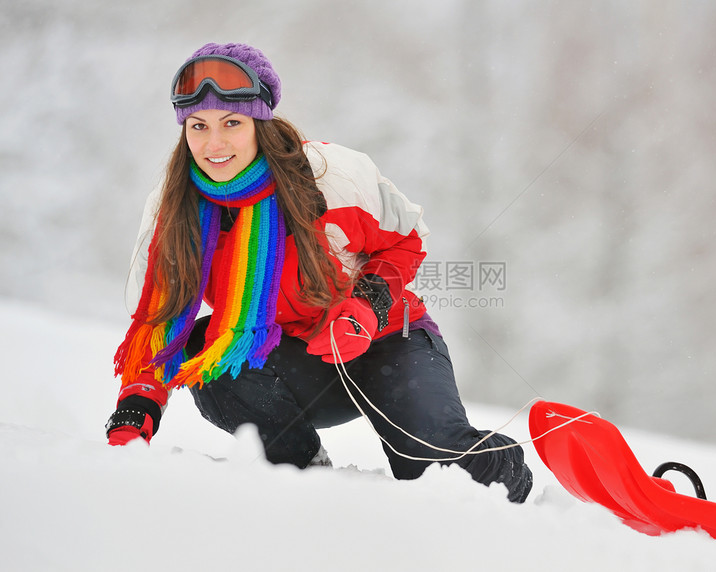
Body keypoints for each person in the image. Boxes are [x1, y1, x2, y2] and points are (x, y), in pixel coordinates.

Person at [106, 42, 532, 503]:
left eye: (232, 123)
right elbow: (159, 320)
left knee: (438, 474)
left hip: (386, 342)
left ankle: (503, 467)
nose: (214, 143)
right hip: (290, 361)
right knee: (206, 355)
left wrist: (366, 309)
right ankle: (303, 472)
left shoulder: (331, 176)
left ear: (260, 123)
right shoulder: (175, 209)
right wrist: (136, 407)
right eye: (199, 126)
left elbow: (406, 242)